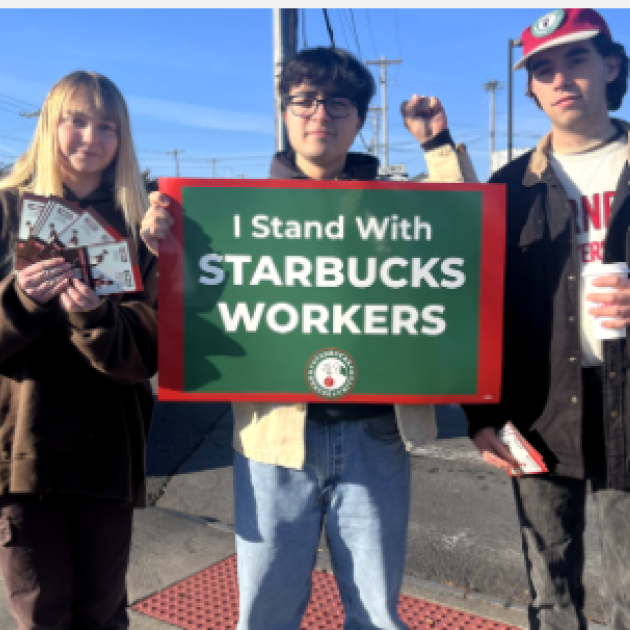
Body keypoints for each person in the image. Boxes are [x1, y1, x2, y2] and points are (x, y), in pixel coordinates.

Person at [141, 46, 475, 630]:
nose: (321, 112)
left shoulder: (396, 204)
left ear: (359, 118)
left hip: (375, 435)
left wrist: (437, 145)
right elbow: (192, 302)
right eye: (305, 100)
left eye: (339, 102)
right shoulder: (229, 214)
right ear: (285, 111)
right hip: (274, 438)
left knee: (377, 614)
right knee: (265, 611)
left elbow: (465, 224)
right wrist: (160, 242)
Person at [411, 8, 630, 630]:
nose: (561, 78)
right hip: (538, 411)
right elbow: (474, 303)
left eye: (577, 60)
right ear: (530, 88)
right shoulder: (511, 188)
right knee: (550, 588)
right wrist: (481, 418)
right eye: (543, 68)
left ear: (611, 66)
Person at [0, 71, 158, 629]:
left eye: (107, 126)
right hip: (24, 455)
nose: (91, 136)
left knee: (104, 613)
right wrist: (19, 301)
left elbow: (145, 355)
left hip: (110, 458)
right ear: (49, 126)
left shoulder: (143, 228)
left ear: (123, 138)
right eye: (76, 120)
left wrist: (93, 315)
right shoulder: (6, 212)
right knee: (41, 614)